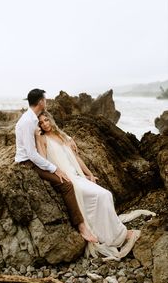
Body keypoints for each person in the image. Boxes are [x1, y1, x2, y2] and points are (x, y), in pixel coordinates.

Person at [36, 111, 155, 260]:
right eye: (41, 123)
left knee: (106, 195)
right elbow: (42, 160)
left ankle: (112, 232)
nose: (45, 124)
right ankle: (117, 236)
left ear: (51, 120)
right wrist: (36, 135)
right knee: (102, 196)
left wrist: (89, 174)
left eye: (46, 120)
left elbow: (77, 158)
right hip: (68, 178)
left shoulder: (62, 136)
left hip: (78, 176)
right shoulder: (42, 138)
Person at [14, 88, 96, 242]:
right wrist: (55, 168)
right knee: (66, 184)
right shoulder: (27, 122)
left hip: (33, 160)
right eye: (44, 100)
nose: (46, 102)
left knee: (68, 178)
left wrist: (69, 138)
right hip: (27, 163)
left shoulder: (33, 117)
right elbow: (32, 155)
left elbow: (54, 130)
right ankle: (81, 226)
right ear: (40, 102)